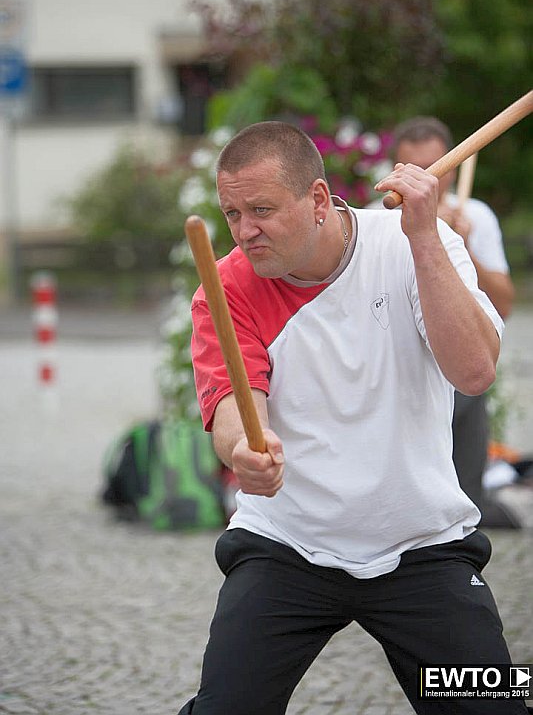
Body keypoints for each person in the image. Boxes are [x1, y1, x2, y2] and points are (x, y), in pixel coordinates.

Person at [179, 121, 526, 714]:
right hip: (287, 544)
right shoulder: (228, 284)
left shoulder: (414, 241)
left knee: (495, 706)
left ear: (318, 199)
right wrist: (243, 451)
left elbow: (474, 372)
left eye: (262, 210)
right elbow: (235, 408)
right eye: (232, 213)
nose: (244, 231)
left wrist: (423, 237)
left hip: (422, 541)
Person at [388, 117, 516, 527]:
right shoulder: (381, 216)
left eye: (438, 167)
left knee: (466, 485)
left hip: (461, 376)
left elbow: (503, 304)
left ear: (455, 168)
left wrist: (463, 244)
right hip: (403, 375)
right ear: (395, 170)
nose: (430, 179)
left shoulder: (474, 215)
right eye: (416, 168)